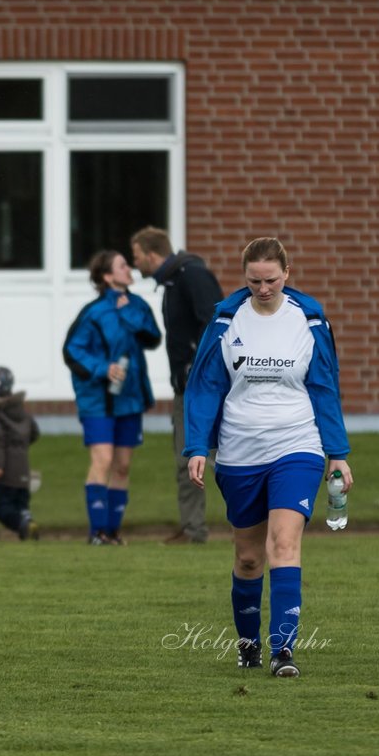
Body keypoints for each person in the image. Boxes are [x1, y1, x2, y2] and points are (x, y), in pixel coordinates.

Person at [183, 237, 352, 678]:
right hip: (239, 451)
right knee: (249, 558)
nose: (263, 288)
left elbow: (324, 386)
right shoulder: (225, 319)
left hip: (297, 444)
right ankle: (248, 644)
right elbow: (204, 388)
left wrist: (337, 453)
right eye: (254, 280)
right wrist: (198, 445)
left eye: (271, 280)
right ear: (245, 277)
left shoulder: (308, 319)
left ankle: (283, 653)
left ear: (287, 273)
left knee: (284, 544)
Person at [62, 250, 162, 545]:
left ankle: (114, 532)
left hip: (129, 398)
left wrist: (128, 313)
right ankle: (97, 533)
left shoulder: (138, 305)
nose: (128, 268)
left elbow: (153, 337)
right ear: (107, 276)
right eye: (121, 265)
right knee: (102, 460)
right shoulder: (92, 312)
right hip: (97, 400)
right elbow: (72, 351)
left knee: (122, 466)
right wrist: (104, 369)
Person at [131, 226, 222, 545]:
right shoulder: (173, 281)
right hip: (187, 387)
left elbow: (216, 322)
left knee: (218, 458)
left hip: (205, 387)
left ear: (152, 254)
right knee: (187, 460)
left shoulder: (191, 275)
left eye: (137, 256)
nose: (135, 263)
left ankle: (252, 524)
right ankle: (192, 529)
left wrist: (198, 367)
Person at [0, 365, 40, 541]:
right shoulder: (20, 409)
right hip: (22, 467)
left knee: (1, 507)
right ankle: (27, 520)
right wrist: (20, 446)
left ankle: (23, 525)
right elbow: (34, 432)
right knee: (21, 503)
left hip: (5, 470)